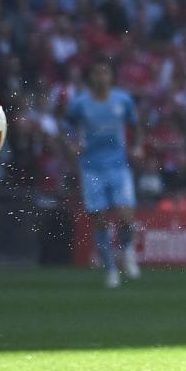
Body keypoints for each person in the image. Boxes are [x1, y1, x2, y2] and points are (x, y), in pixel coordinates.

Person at [65, 59, 142, 289]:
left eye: (105, 73)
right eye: (97, 73)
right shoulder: (79, 104)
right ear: (91, 78)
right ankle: (110, 269)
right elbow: (67, 127)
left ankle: (125, 250)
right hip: (91, 167)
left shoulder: (123, 100)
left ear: (111, 77)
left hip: (118, 166)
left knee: (127, 217)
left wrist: (138, 145)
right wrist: (72, 144)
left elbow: (136, 125)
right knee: (99, 220)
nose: (101, 77)